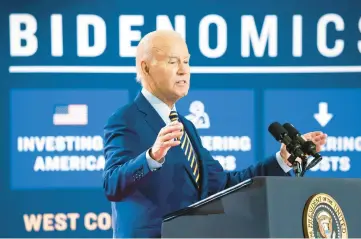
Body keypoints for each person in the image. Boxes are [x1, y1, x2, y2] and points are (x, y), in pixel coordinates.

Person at [102, 30, 327, 238]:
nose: (183, 69)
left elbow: (224, 185)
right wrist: (152, 157)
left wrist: (283, 160)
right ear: (146, 68)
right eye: (173, 62)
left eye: (187, 61)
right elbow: (112, 184)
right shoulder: (125, 119)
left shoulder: (186, 126)